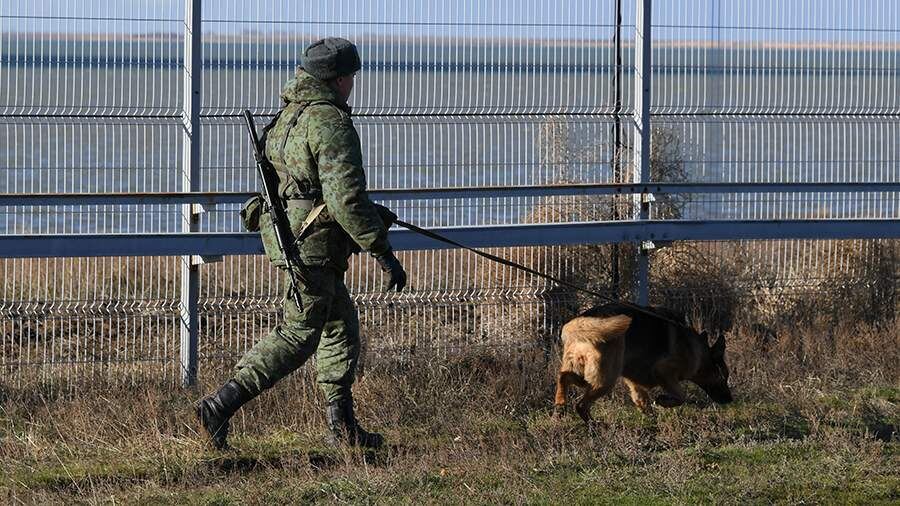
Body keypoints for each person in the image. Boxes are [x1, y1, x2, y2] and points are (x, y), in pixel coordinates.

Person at [197, 37, 407, 450]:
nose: (353, 86)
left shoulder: (289, 115)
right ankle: (219, 404)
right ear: (339, 78)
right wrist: (382, 251)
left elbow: (308, 189)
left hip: (293, 237)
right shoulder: (328, 121)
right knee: (299, 335)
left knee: (339, 326)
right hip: (311, 245)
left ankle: (342, 428)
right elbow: (345, 198)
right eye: (351, 78)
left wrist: (366, 217)